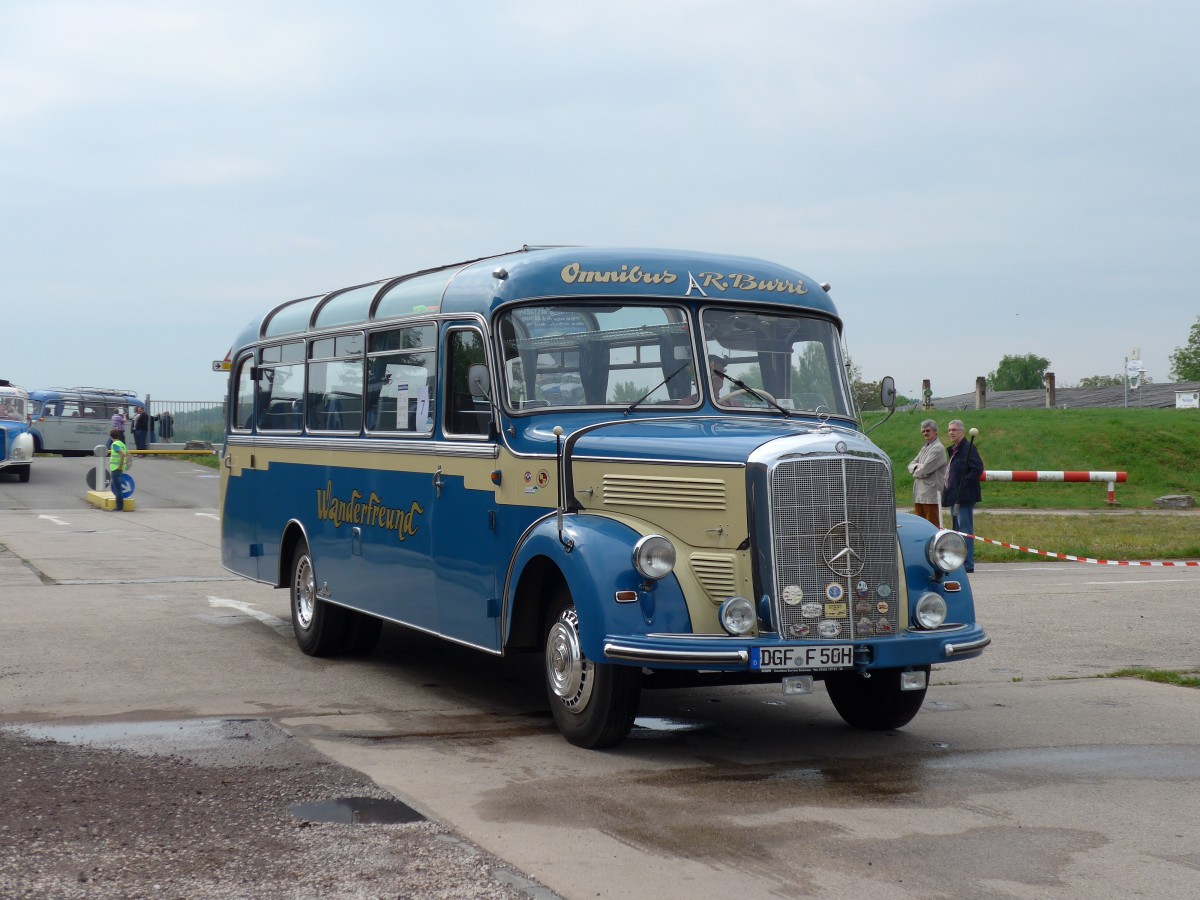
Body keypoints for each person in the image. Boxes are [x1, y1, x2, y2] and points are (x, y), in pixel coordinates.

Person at [944, 419, 984, 572]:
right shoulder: (955, 450)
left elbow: (977, 469)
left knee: (965, 530)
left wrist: (964, 485)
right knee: (956, 530)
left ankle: (967, 564)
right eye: (949, 430)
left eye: (954, 430)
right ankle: (957, 561)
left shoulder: (968, 448)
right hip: (954, 496)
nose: (951, 433)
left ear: (962, 432)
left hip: (964, 497)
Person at [906, 419, 948, 526]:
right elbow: (910, 465)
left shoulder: (938, 448)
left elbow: (924, 470)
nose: (925, 433)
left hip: (931, 495)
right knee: (919, 525)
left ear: (935, 432)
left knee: (931, 526)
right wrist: (917, 466)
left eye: (928, 430)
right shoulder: (925, 448)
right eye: (923, 431)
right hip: (919, 494)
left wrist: (917, 470)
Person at [108, 428, 129, 511]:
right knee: (117, 487)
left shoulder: (115, 444)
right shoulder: (122, 443)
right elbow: (127, 454)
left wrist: (120, 465)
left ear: (111, 437)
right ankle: (119, 505)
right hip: (120, 468)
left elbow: (123, 454)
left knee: (117, 488)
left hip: (116, 468)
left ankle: (119, 506)